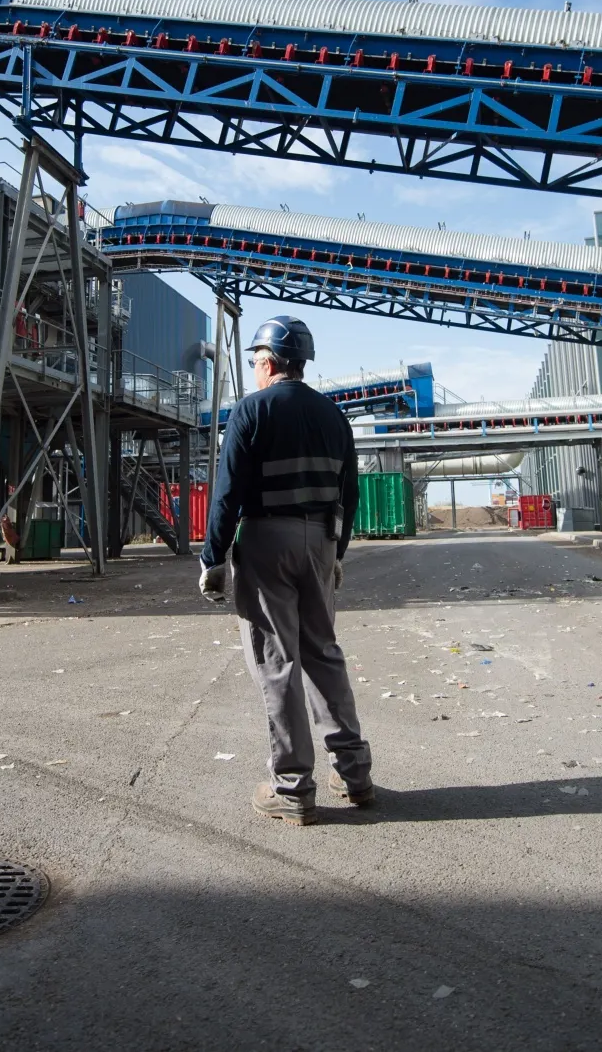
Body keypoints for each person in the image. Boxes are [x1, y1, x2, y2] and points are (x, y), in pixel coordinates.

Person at [199, 315, 374, 825]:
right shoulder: (334, 417)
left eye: (255, 362)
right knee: (324, 654)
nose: (254, 370)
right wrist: (335, 553)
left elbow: (227, 494)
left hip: (266, 542)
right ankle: (355, 774)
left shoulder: (252, 411)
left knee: (278, 662)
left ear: (270, 362)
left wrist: (213, 558)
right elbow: (351, 495)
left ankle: (293, 788)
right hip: (318, 541)